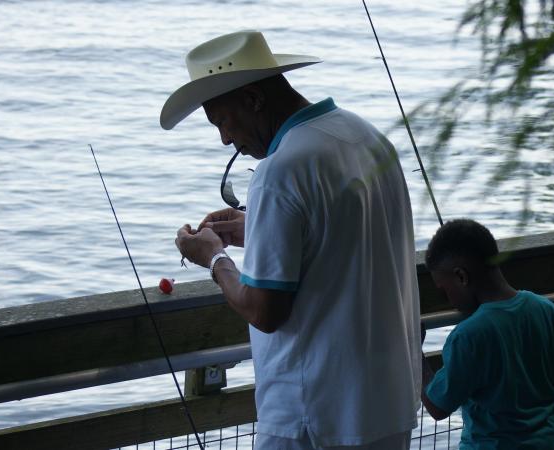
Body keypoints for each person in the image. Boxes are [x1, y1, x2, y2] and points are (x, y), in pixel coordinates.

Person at [165, 31, 421, 449]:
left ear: (253, 99)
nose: (225, 139)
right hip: (387, 407)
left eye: (222, 122)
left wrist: (213, 258)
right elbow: (344, 239)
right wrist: (257, 229)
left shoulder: (280, 170)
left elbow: (264, 310)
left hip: (316, 417)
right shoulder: (368, 138)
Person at [421, 219, 554, 449]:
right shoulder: (545, 309)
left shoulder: (467, 336)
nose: (449, 301)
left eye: (444, 291)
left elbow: (437, 406)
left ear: (461, 277)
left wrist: (414, 352)